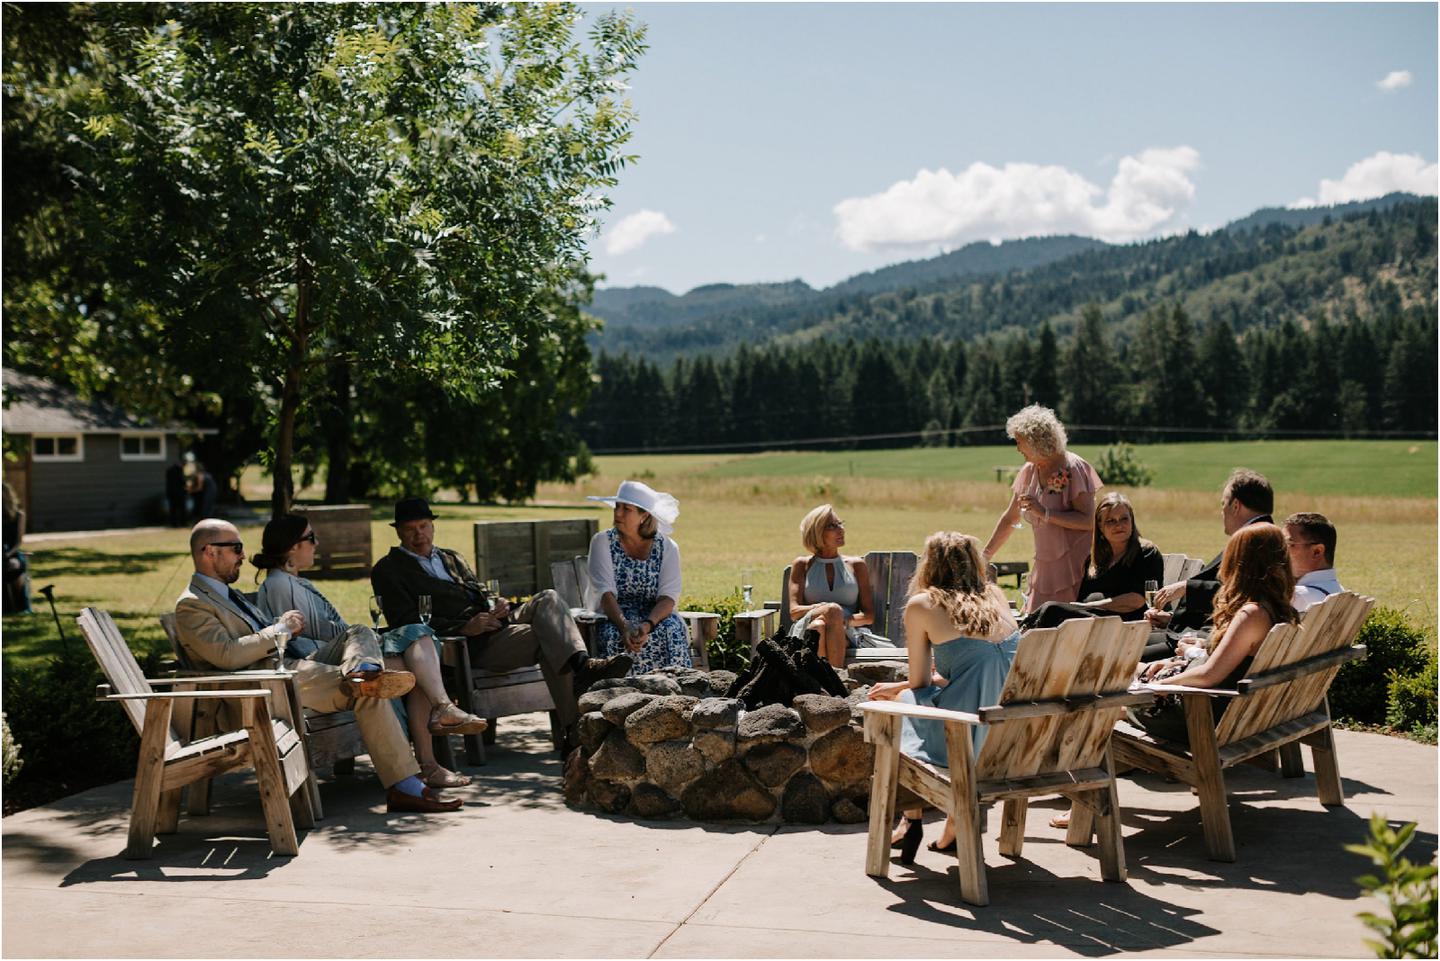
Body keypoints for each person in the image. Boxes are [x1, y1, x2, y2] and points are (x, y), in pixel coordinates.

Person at [174, 519, 462, 813]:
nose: (243, 556)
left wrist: (277, 626)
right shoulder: (192, 605)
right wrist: (279, 630)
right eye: (235, 548)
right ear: (209, 551)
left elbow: (252, 638)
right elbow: (226, 654)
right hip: (262, 688)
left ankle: (363, 671)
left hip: (289, 672)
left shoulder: (227, 595)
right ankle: (406, 785)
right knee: (366, 691)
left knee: (359, 633)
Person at [370, 497, 631, 753]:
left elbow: (479, 591)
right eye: (410, 529)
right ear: (399, 533)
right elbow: (404, 624)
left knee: (548, 598)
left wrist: (498, 605)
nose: (419, 534)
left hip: (494, 625)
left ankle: (581, 665)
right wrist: (464, 627)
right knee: (549, 640)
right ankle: (573, 729)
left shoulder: (451, 557)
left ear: (433, 526)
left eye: (424, 526)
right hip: (464, 645)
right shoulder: (389, 569)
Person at [254, 513, 487, 789]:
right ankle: (430, 756)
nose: (317, 544)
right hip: (321, 667)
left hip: (343, 657)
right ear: (293, 547)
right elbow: (303, 640)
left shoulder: (293, 581)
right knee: (415, 659)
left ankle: (440, 717)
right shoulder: (280, 584)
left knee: (420, 639)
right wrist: (361, 640)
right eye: (311, 538)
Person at [867, 532, 1021, 862]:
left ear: (930, 565)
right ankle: (945, 827)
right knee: (905, 697)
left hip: (962, 737)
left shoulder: (923, 605)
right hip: (1008, 737)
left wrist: (897, 690)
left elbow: (920, 682)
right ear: (975, 563)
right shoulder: (995, 596)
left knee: (899, 706)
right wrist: (900, 687)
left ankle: (911, 819)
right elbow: (971, 671)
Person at [1133, 523, 1298, 744]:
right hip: (1225, 709)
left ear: (1242, 564)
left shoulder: (1251, 614)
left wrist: (1156, 687)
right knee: (1130, 667)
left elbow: (1209, 675)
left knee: (1115, 687)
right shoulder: (1278, 608)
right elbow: (1229, 661)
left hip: (1199, 715)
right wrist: (1188, 656)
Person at [1143, 468, 1274, 660]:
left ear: (1236, 505)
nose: (1222, 511)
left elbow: (1239, 593)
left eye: (1223, 504)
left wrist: (1186, 587)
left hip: (1203, 645)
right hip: (1198, 636)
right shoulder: (1263, 537)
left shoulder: (1256, 540)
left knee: (1120, 655)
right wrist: (1171, 620)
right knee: (1125, 644)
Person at [983, 405, 1101, 614]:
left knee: (1067, 626)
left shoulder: (1074, 468)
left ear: (1035, 441)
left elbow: (1089, 520)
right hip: (1044, 566)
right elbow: (1011, 518)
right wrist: (985, 556)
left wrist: (1045, 513)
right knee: (1037, 624)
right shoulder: (1029, 471)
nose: (1018, 448)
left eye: (1020, 442)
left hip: (1075, 567)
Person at [584, 481, 690, 675]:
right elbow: (605, 594)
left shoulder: (667, 547)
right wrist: (625, 627)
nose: (617, 513)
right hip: (615, 617)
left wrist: (647, 625)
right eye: (617, 507)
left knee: (671, 630)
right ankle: (622, 699)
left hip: (654, 617)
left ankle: (676, 692)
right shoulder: (602, 542)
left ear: (644, 515)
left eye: (626, 509)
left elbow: (668, 598)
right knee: (612, 636)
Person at [1023, 492, 1164, 629]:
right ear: (1101, 528)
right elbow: (1082, 599)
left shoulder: (1145, 553)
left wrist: (1088, 606)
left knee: (1052, 609)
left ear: (1132, 521)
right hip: (1094, 622)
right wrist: (1080, 607)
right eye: (1110, 521)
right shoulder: (1095, 560)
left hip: (1124, 624)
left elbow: (1136, 601)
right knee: (1046, 612)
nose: (1118, 525)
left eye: (1124, 519)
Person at [786, 504, 895, 669]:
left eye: (840, 524)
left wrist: (837, 620)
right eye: (832, 526)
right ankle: (837, 678)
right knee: (820, 622)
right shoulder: (802, 565)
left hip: (848, 631)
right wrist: (826, 609)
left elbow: (868, 616)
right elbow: (794, 612)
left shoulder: (856, 565)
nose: (841, 530)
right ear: (817, 532)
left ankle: (824, 683)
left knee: (820, 626)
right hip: (806, 629)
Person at [1284, 512, 1344, 612]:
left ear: (1317, 552)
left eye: (1289, 544)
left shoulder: (1298, 597)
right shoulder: (1338, 590)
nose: (1280, 549)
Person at [2, 482, 30, 615]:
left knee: (15, 566)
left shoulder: (19, 515)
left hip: (11, 553)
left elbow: (18, 542)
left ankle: (21, 605)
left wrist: (8, 553)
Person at [165, 458, 188, 527]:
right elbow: (182, 481)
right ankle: (183, 523)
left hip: (171, 492)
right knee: (182, 508)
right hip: (179, 493)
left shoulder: (169, 470)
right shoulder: (179, 470)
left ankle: (173, 523)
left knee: (173, 509)